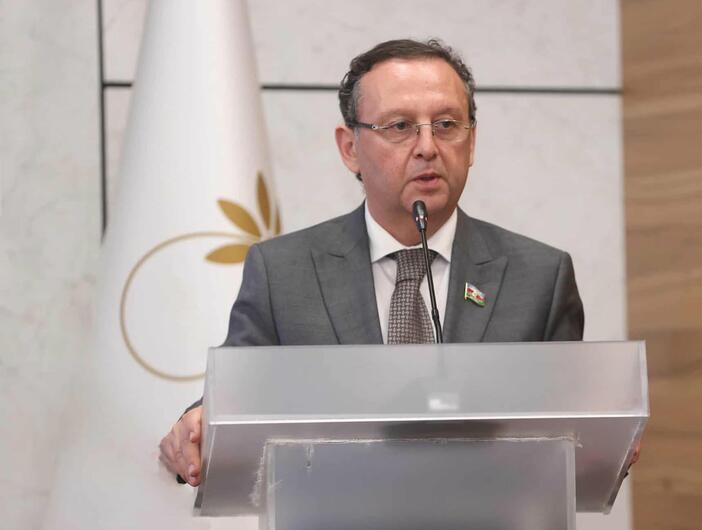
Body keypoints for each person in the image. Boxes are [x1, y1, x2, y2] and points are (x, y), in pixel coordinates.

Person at [159, 39, 584, 486]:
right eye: (400, 126)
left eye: (446, 125)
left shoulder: (540, 277)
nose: (427, 147)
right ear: (350, 148)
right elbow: (233, 402)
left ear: (471, 141)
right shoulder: (283, 273)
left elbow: (577, 431)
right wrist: (198, 425)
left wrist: (606, 434)